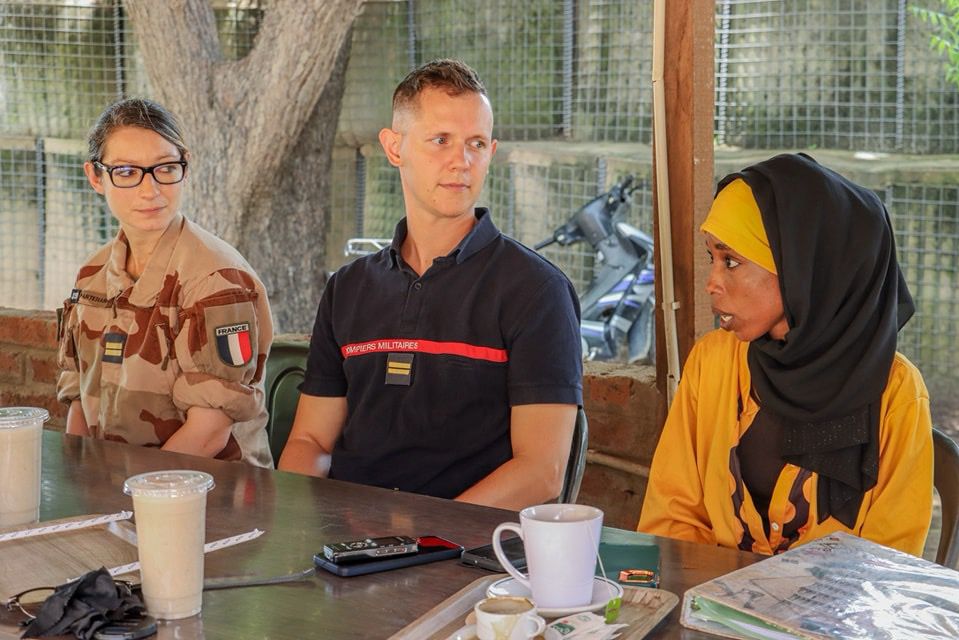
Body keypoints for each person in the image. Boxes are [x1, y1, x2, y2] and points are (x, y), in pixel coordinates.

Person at [278, 59, 583, 509]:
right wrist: (316, 524)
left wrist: (422, 538)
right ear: (394, 146)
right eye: (441, 140)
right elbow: (309, 441)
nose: (461, 161)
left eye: (476, 144)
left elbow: (542, 473)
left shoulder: (537, 290)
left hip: (468, 555)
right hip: (347, 547)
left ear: (491, 153)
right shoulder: (348, 287)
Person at [638, 153, 932, 556]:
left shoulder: (895, 391)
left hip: (834, 615)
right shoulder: (713, 362)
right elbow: (670, 518)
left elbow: (890, 560)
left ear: (802, 267)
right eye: (713, 258)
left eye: (732, 261)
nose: (712, 283)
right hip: (706, 607)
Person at [56, 98, 274, 467]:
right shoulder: (91, 276)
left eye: (165, 168)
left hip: (212, 497)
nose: (150, 190)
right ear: (96, 177)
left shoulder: (214, 279)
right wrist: (83, 484)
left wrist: (124, 501)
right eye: (126, 171)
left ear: (184, 167)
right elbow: (80, 401)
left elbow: (207, 434)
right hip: (113, 493)